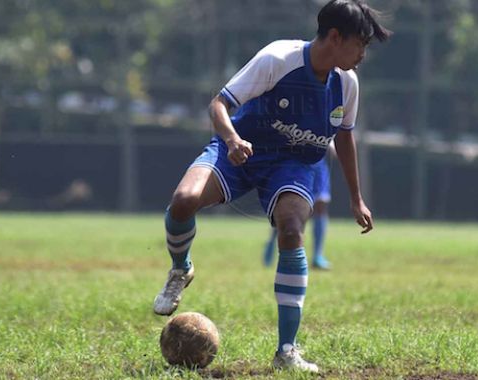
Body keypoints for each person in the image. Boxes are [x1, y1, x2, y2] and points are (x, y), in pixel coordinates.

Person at [153, 0, 390, 372]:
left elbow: (345, 137)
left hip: (292, 165)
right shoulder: (278, 59)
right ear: (334, 36)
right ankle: (180, 269)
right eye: (360, 44)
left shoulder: (347, 83)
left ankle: (286, 352)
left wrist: (357, 198)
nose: (362, 54)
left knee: (292, 230)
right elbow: (218, 104)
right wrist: (231, 140)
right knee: (183, 200)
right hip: (240, 150)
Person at [263, 154, 333, 270]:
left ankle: (318, 255)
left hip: (318, 162)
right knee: (288, 210)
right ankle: (272, 243)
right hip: (297, 162)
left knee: (321, 204)